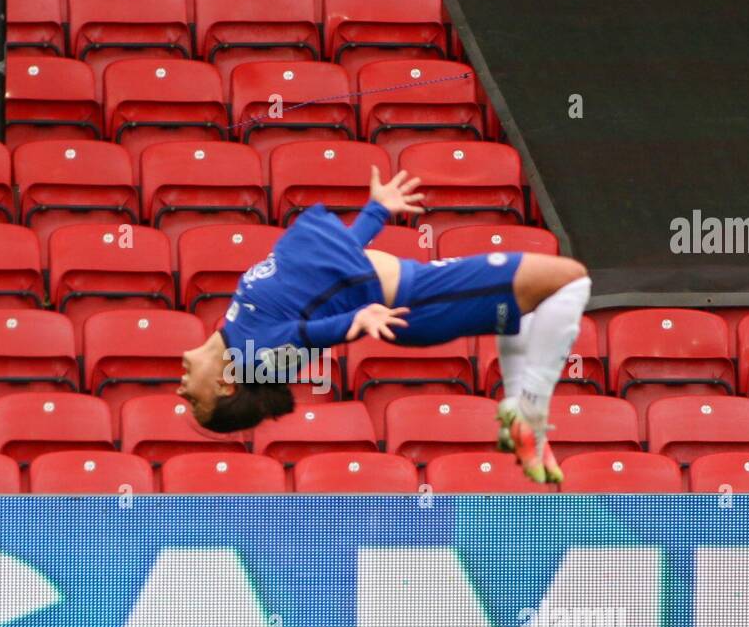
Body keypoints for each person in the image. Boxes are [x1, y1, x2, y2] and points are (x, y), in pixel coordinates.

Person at [177, 167, 592, 483]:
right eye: (193, 402)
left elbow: (328, 268)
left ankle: (522, 414)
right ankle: (528, 413)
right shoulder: (254, 356)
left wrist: (375, 211)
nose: (181, 391)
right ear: (225, 385)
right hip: (422, 300)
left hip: (420, 290)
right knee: (571, 279)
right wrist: (355, 321)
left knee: (531, 306)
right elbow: (306, 336)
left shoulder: (235, 322)